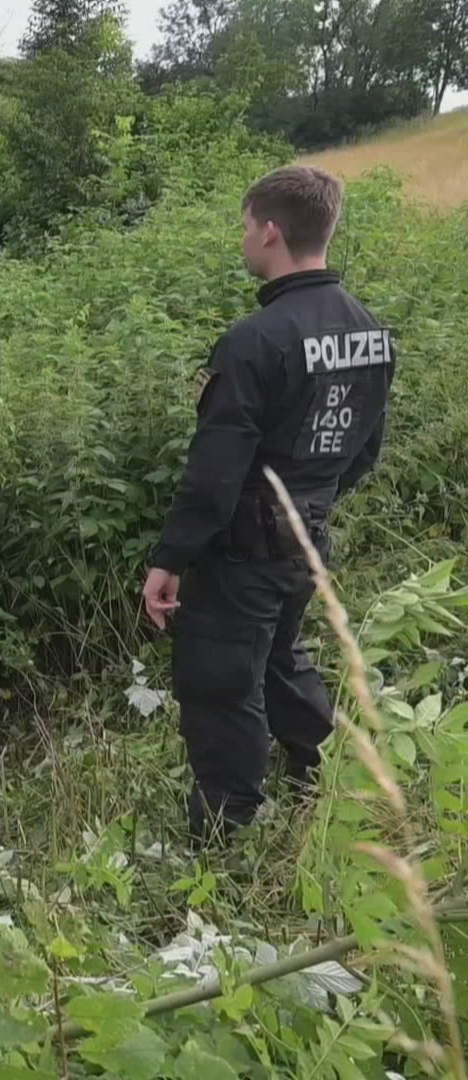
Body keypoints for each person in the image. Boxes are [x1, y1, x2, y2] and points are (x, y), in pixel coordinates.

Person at [141, 165, 393, 844]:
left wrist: (171, 559)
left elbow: (215, 472)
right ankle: (332, 776)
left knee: (222, 682)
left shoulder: (256, 340)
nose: (244, 238)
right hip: (307, 537)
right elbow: (364, 450)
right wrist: (310, 504)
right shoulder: (371, 331)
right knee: (280, 657)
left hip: (245, 549)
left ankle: (227, 833)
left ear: (273, 231)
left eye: (248, 226)